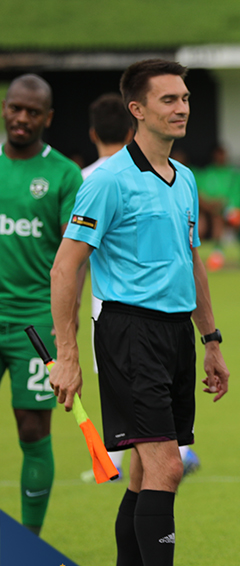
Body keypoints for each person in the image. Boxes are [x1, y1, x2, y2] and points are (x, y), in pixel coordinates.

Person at [48, 58, 229, 566]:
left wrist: (211, 340)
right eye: (169, 99)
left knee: (142, 473)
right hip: (129, 334)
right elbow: (66, 268)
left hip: (176, 335)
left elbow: (193, 260)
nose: (182, 107)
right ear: (137, 109)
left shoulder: (186, 178)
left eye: (185, 98)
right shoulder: (106, 180)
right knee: (167, 467)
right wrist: (68, 355)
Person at [0, 74, 83, 536]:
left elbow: (75, 258)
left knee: (33, 429)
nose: (21, 118)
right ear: (5, 108)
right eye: (15, 108)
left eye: (32, 112)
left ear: (47, 118)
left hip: (34, 320)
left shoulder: (64, 175)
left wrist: (65, 325)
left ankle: (29, 540)